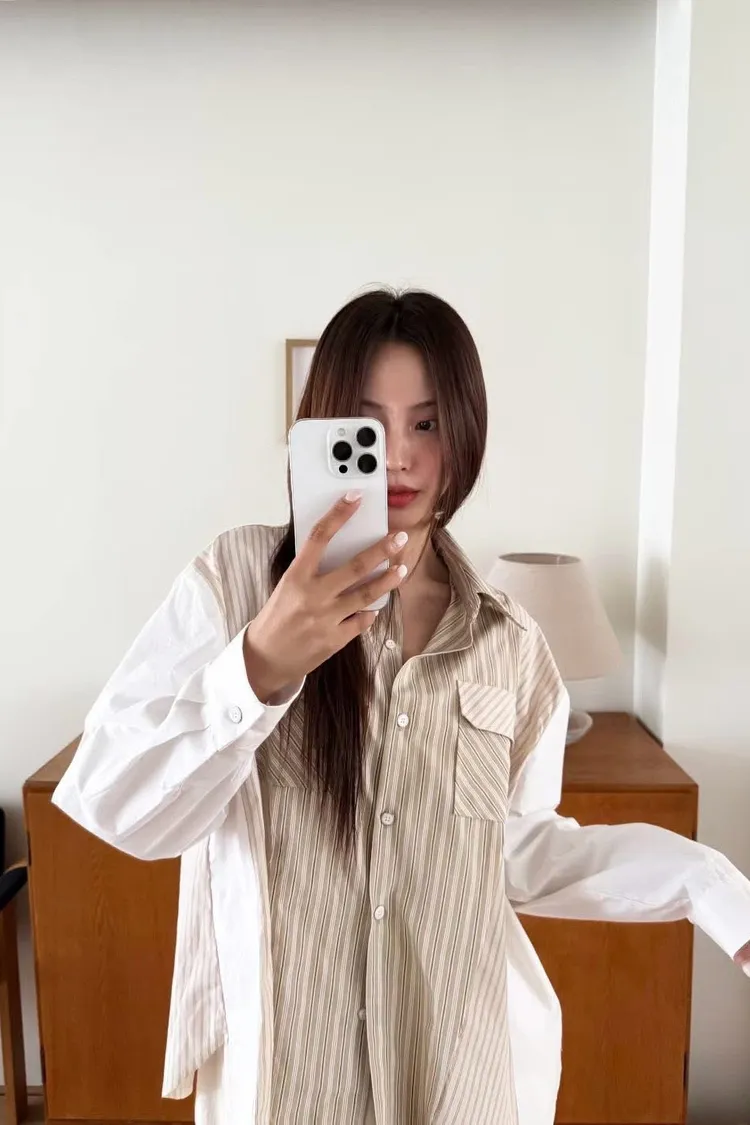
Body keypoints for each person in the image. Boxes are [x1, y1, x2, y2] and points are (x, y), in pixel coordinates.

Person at [53, 289, 750, 1125]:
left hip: (461, 1080)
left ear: (466, 430)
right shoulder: (234, 582)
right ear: (318, 433)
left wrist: (713, 888)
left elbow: (520, 851)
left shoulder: (510, 645)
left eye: (428, 422)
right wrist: (259, 666)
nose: (398, 456)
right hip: (287, 1089)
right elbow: (114, 801)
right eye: (366, 425)